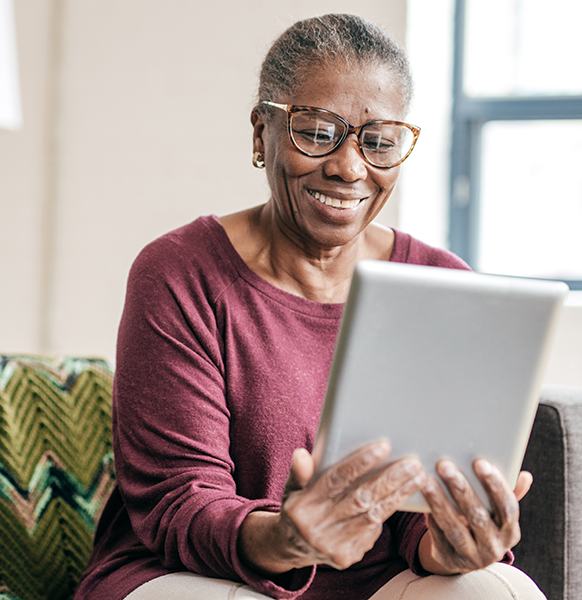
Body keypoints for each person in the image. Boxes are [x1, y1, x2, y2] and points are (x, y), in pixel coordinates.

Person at [75, 14, 545, 600]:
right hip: (198, 575)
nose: (350, 167)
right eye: (319, 132)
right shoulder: (179, 273)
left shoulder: (441, 284)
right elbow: (180, 503)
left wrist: (447, 545)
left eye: (378, 141)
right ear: (260, 132)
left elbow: (420, 506)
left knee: (497, 588)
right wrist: (289, 539)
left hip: (377, 584)